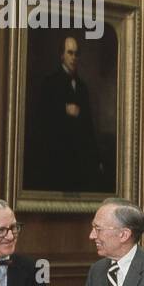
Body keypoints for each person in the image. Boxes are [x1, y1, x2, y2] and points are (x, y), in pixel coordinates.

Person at [31, 35, 108, 192]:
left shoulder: (82, 87)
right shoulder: (50, 83)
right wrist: (63, 109)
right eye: (69, 53)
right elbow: (40, 119)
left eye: (76, 54)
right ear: (62, 55)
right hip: (56, 157)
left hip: (78, 161)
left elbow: (88, 127)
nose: (73, 57)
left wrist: (97, 159)